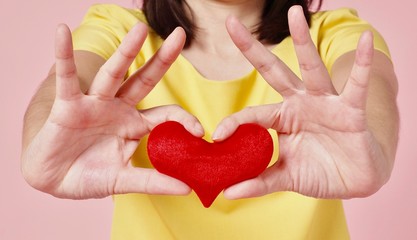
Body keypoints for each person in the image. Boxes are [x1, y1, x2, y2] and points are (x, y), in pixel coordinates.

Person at [21, 0, 399, 239]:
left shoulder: (336, 33)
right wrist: (44, 143)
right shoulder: (118, 29)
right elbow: (65, 85)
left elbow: (371, 85)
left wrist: (372, 146)